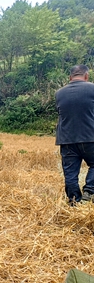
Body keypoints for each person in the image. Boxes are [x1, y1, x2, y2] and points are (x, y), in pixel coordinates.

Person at [55, 64, 94, 205]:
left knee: (70, 173)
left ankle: (73, 201)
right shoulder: (92, 88)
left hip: (66, 140)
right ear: (86, 76)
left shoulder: (59, 93)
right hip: (90, 137)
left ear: (70, 77)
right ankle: (89, 191)